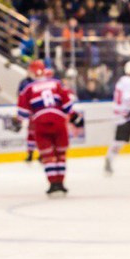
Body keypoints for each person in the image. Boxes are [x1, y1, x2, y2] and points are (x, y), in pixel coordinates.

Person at [15, 60, 83, 197]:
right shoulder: (56, 84)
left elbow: (22, 113)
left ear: (33, 72)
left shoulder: (28, 88)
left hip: (41, 122)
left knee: (47, 155)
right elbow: (68, 105)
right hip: (58, 121)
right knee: (60, 155)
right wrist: (75, 117)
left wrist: (17, 121)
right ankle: (61, 184)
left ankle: (53, 185)